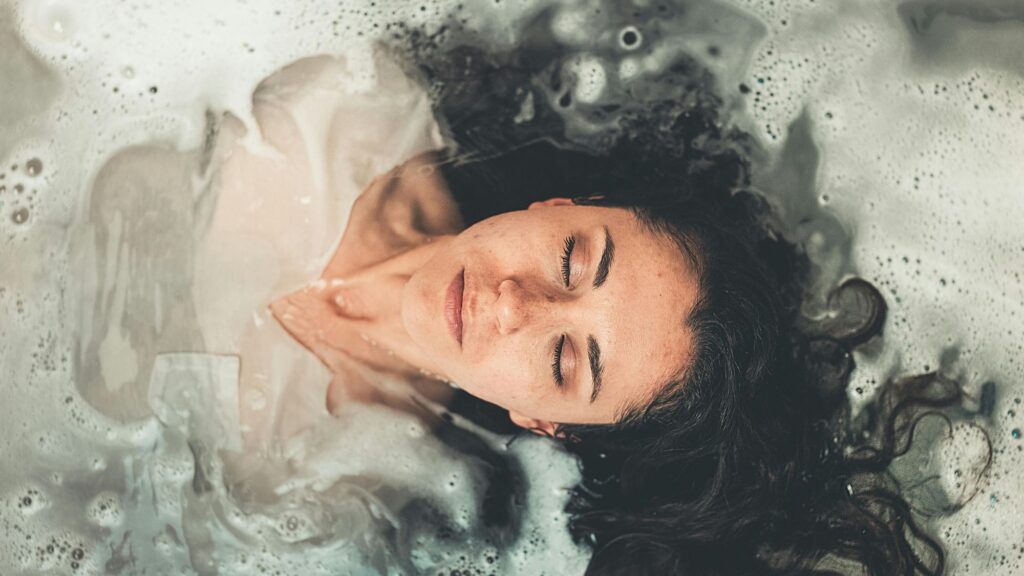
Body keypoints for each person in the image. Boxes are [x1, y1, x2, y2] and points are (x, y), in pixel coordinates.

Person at [196, 43, 970, 575]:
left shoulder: (324, 475)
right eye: (572, 260)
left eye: (564, 360)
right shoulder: (343, 107)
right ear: (559, 204)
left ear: (541, 422)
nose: (512, 303)